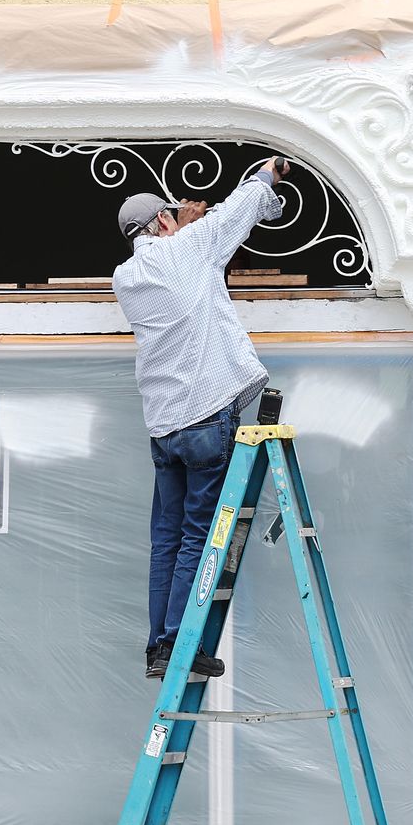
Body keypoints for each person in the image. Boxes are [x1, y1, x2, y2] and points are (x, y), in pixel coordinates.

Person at [113, 157, 288, 680]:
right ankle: (181, 644)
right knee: (197, 537)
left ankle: (158, 648)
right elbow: (241, 207)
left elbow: (179, 262)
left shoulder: (125, 277)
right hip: (206, 421)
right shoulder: (193, 246)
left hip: (164, 428)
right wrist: (269, 173)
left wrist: (182, 227)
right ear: (164, 223)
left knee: (166, 540)